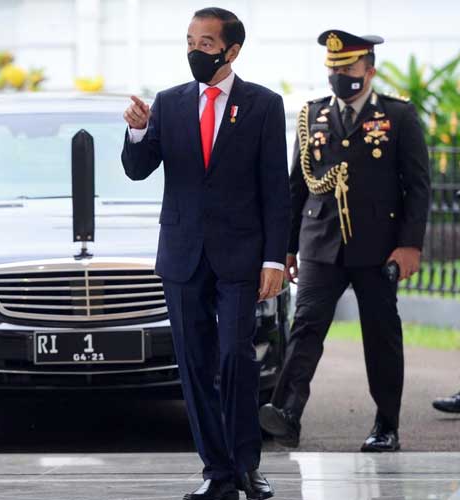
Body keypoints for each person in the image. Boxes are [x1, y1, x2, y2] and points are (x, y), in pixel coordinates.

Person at [122, 7, 289, 500]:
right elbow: (138, 168)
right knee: (194, 364)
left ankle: (246, 465)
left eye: (207, 43)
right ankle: (217, 472)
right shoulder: (169, 104)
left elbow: (275, 189)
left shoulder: (263, 104)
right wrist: (136, 131)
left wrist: (275, 259)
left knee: (237, 356)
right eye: (191, 41)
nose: (196, 50)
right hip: (183, 254)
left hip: (241, 256)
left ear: (232, 51)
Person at [259, 30, 431, 453]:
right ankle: (287, 416)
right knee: (306, 328)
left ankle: (385, 424)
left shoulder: (398, 116)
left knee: (381, 335)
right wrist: (286, 248)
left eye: (348, 68)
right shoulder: (312, 115)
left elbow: (419, 186)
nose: (339, 76)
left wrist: (410, 245)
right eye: (333, 69)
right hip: (321, 242)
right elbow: (296, 186)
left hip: (378, 245)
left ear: (369, 70)